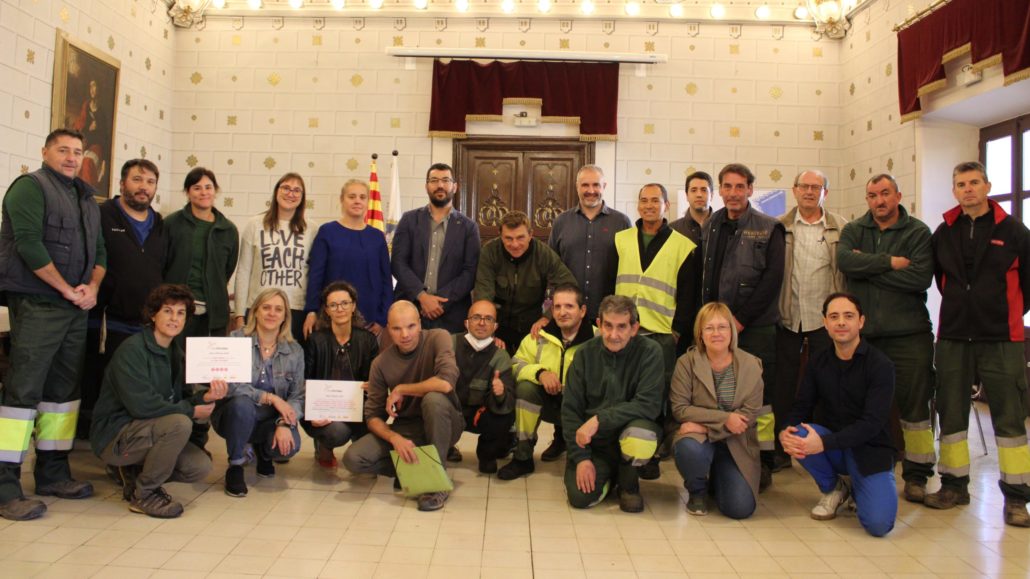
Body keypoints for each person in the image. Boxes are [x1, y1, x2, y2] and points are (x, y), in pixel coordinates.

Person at [0, 128, 106, 521]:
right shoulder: (30, 188)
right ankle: (5, 483)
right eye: (63, 150)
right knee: (23, 392)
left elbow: (100, 250)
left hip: (76, 307)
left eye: (77, 152)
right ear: (45, 151)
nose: (71, 157)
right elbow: (28, 244)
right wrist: (66, 288)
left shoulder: (85, 198)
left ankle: (53, 472)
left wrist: (91, 288)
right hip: (38, 302)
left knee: (63, 394)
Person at [928, 161, 1030, 527]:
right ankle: (953, 485)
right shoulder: (944, 232)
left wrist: (999, 311)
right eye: (960, 184)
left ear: (987, 186)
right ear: (954, 190)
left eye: (974, 182)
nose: (968, 189)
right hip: (954, 335)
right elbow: (942, 280)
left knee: (1010, 416)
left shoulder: (1015, 231)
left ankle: (1017, 497)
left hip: (1001, 337)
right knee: (951, 414)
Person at [837, 173, 935, 503]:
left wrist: (869, 272)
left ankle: (917, 475)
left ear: (898, 195)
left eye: (885, 194)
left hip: (910, 336)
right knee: (862, 407)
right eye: (872, 195)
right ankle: (864, 471)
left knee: (915, 407)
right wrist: (890, 264)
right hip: (866, 339)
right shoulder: (854, 229)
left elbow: (920, 277)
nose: (879, 200)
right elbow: (846, 262)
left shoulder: (917, 231)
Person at [91, 284, 227, 518]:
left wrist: (204, 398)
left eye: (181, 313)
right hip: (115, 436)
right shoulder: (132, 351)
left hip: (147, 431)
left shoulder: (176, 352)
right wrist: (192, 411)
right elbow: (143, 406)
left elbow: (181, 400)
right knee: (179, 423)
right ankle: (145, 494)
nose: (174, 318)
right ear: (153, 315)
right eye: (167, 311)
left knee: (199, 467)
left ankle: (134, 472)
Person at [780, 293, 897, 538]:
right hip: (834, 448)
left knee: (878, 525)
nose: (841, 322)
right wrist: (786, 430)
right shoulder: (818, 362)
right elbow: (802, 405)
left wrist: (823, 442)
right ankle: (834, 488)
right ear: (825, 323)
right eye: (834, 317)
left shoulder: (880, 365)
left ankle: (860, 487)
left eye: (848, 316)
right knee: (797, 433)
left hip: (870, 450)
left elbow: (872, 423)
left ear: (861, 322)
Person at [699, 163, 785, 490]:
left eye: (740, 187)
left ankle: (762, 460)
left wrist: (741, 319)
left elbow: (772, 280)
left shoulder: (769, 228)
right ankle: (723, 455)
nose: (733, 193)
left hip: (756, 328)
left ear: (751, 189)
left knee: (760, 399)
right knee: (720, 392)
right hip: (718, 328)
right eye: (728, 187)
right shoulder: (712, 224)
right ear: (719, 190)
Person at [610, 182, 700, 478]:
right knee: (623, 390)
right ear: (637, 205)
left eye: (655, 201)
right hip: (624, 333)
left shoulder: (683, 245)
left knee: (657, 396)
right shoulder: (621, 239)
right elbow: (609, 281)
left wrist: (676, 332)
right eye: (644, 200)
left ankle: (652, 454)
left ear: (666, 206)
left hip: (661, 334)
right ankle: (621, 447)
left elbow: (689, 296)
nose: (649, 205)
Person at [342, 301, 464, 512]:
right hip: (407, 427)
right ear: (388, 329)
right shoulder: (380, 363)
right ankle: (410, 470)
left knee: (433, 399)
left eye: (410, 326)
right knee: (353, 459)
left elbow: (445, 383)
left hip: (445, 420)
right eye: (397, 328)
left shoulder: (438, 337)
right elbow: (372, 416)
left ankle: (436, 483)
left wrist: (401, 389)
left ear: (420, 323)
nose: (405, 334)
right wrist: (395, 438)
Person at [81, 158, 168, 438]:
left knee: (134, 387)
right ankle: (99, 442)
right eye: (137, 180)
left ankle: (125, 442)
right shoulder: (100, 214)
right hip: (106, 321)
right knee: (101, 384)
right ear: (121, 183)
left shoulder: (160, 224)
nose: (144, 188)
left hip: (144, 324)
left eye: (150, 182)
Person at [772, 170, 847, 473]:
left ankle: (823, 446)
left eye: (816, 187)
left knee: (827, 385)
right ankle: (780, 450)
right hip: (788, 318)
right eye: (804, 186)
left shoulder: (841, 228)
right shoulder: (779, 227)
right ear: (794, 190)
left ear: (825, 192)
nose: (809, 192)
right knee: (783, 387)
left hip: (825, 321)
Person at [562, 295, 664, 513]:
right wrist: (581, 459)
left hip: (630, 433)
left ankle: (628, 484)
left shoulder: (651, 352)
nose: (613, 335)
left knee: (640, 435)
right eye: (608, 326)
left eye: (621, 327)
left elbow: (648, 405)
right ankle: (610, 475)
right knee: (581, 498)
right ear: (599, 324)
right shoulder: (584, 354)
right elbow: (570, 410)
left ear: (634, 328)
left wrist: (599, 419)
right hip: (595, 445)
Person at [671, 302, 762, 519]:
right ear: (700, 334)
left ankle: (718, 478)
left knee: (739, 509)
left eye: (722, 327)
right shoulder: (686, 362)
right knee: (688, 448)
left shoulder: (752, 365)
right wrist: (725, 419)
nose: (716, 333)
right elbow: (680, 409)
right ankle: (697, 490)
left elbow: (747, 417)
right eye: (709, 328)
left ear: (732, 331)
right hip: (699, 441)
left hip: (737, 442)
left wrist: (704, 427)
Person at [213, 289, 304, 497]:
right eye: (266, 307)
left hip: (270, 419)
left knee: (288, 448)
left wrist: (284, 423)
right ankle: (235, 465)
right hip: (235, 414)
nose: (272, 313)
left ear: (285, 316)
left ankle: (264, 452)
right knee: (243, 403)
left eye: (278, 309)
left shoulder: (295, 350)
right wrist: (270, 397)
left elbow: (298, 396)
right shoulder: (236, 340)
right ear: (255, 311)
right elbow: (231, 385)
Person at [498, 284, 595, 479]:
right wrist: (540, 373)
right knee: (525, 389)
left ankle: (582, 455)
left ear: (582, 311)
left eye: (569, 306)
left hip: (581, 409)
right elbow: (515, 365)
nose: (562, 312)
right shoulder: (538, 336)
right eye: (557, 307)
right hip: (549, 403)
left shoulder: (598, 339)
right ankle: (523, 457)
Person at [392, 163, 480, 334]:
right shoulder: (409, 220)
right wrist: (422, 296)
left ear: (454, 186)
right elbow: (398, 263)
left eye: (446, 180)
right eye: (434, 180)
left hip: (451, 314)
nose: (440, 185)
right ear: (426, 186)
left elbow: (470, 272)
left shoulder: (469, 227)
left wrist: (439, 303)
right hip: (410, 310)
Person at [474, 210, 577, 354]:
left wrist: (547, 317)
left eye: (520, 237)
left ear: (530, 235)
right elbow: (483, 295)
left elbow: (569, 286)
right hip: (497, 324)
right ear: (500, 236)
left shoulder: (543, 253)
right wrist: (488, 331)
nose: (515, 244)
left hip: (532, 327)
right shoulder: (490, 252)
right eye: (508, 238)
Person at [302, 281, 379, 468]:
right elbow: (306, 381)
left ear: (353, 306)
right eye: (333, 305)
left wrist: (373, 384)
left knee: (368, 425)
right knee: (337, 432)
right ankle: (324, 445)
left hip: (358, 406)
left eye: (345, 303)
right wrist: (313, 409)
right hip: (326, 410)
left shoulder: (368, 339)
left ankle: (359, 443)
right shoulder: (316, 340)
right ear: (326, 310)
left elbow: (376, 378)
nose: (340, 309)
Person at [305, 179, 392, 338]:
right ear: (342, 200)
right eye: (352, 196)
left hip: (370, 320)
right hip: (331, 317)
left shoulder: (377, 237)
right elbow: (316, 275)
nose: (357, 201)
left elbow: (386, 280)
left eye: (362, 197)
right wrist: (312, 310)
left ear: (368, 202)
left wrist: (382, 318)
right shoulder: (327, 232)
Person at [233, 172, 314, 342]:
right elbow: (244, 271)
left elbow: (315, 274)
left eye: (296, 190)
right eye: (285, 187)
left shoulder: (312, 229)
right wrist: (240, 314)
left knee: (289, 363)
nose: (290, 193)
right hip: (259, 307)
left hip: (295, 309)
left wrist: (313, 311)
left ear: (302, 197)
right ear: (276, 191)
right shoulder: (255, 224)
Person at [164, 167, 240, 341]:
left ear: (215, 191)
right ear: (188, 192)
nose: (203, 192)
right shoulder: (172, 223)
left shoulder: (228, 230)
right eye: (197, 188)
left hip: (213, 314)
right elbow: (163, 263)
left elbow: (227, 269)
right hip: (176, 310)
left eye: (208, 187)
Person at [548, 165, 632, 321]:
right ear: (577, 187)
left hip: (609, 313)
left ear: (604, 186)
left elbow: (629, 268)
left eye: (596, 185)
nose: (591, 190)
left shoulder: (621, 222)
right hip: (568, 313)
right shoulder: (561, 222)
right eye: (585, 185)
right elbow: (550, 268)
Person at [451, 300, 516, 473]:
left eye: (488, 319)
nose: (481, 323)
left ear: (495, 326)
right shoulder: (450, 344)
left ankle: (487, 454)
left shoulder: (501, 356)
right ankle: (444, 447)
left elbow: (509, 400)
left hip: (477, 415)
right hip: (448, 410)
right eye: (476, 317)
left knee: (505, 415)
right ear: (466, 322)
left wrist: (500, 393)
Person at [670, 170, 714, 246]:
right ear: (687, 195)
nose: (699, 195)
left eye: (704, 190)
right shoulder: (673, 230)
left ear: (712, 195)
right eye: (693, 190)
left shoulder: (723, 228)